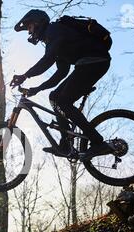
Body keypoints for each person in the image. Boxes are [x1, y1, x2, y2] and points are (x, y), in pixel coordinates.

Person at [10, 9, 114, 160]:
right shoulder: (52, 39)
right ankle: (65, 143)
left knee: (64, 102)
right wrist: (38, 89)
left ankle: (98, 142)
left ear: (38, 22)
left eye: (29, 27)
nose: (29, 32)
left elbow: (47, 60)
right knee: (54, 97)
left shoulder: (54, 31)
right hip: (87, 64)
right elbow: (61, 73)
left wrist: (25, 76)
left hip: (95, 61)